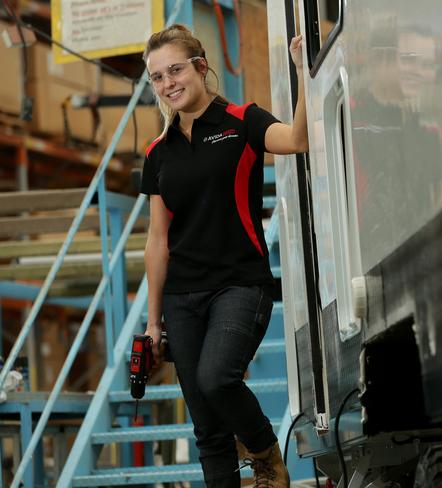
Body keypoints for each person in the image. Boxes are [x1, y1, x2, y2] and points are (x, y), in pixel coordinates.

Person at [139, 24, 307, 488]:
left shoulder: (242, 120)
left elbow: (296, 140)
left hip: (239, 285)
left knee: (217, 380)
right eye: (157, 77)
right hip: (181, 298)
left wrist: (303, 75)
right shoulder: (158, 152)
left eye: (175, 69)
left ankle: (266, 454)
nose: (168, 82)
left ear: (201, 66)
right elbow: (158, 241)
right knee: (208, 429)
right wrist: (154, 324)